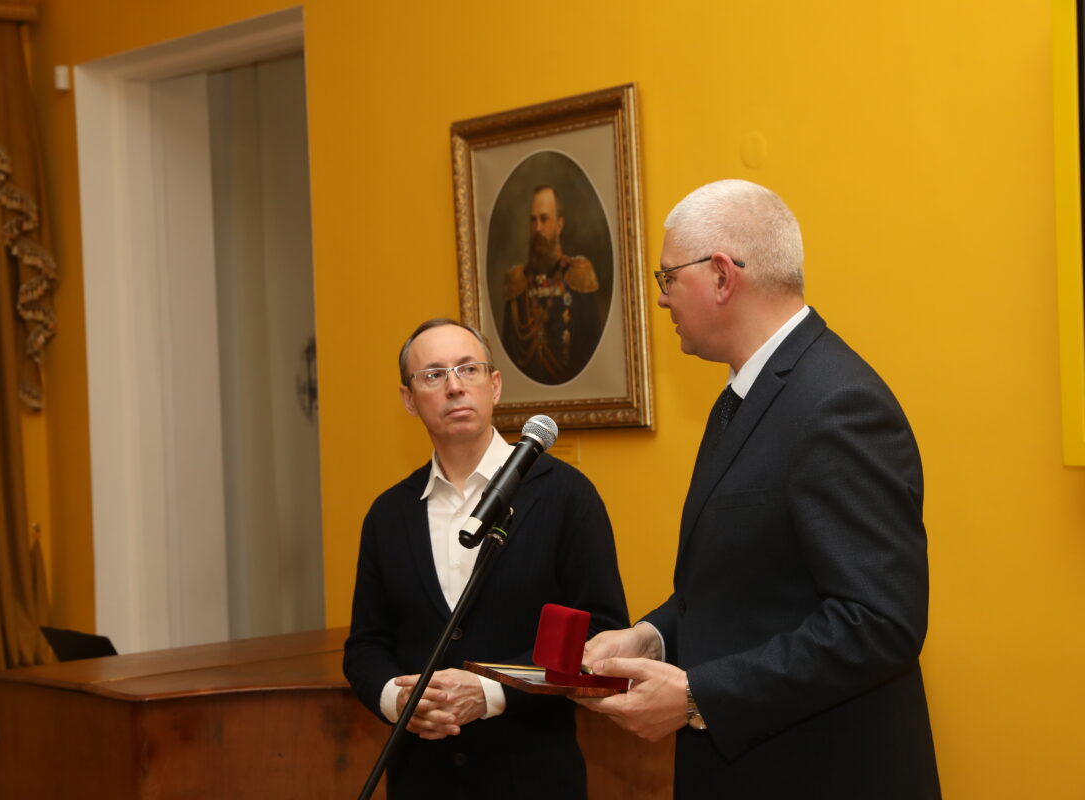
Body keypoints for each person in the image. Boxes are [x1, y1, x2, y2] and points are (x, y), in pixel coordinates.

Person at [575, 180, 940, 798]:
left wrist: (697, 695)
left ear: (722, 276)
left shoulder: (836, 403)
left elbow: (879, 623)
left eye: (668, 278)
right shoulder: (749, 394)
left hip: (819, 772)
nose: (661, 298)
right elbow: (749, 586)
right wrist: (653, 635)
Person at [344, 318, 628, 799]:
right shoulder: (388, 514)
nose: (454, 386)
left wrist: (492, 691)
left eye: (468, 369)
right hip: (421, 780)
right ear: (409, 399)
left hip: (535, 778)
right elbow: (365, 646)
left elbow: (601, 634)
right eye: (433, 375)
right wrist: (397, 700)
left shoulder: (565, 496)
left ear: (494, 385)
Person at [501, 186, 603, 384]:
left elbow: (591, 351)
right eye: (533, 220)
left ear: (559, 225)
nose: (538, 228)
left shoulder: (579, 275)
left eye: (544, 219)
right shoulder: (517, 283)